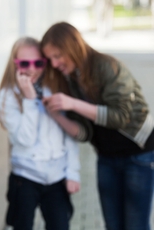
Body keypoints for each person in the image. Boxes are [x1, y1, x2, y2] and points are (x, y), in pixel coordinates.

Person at [41, 21, 154, 230]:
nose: (54, 64)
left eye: (57, 56)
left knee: (136, 226)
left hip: (138, 155)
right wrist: (56, 115)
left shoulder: (107, 66)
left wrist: (73, 103)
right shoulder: (69, 79)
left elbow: (120, 116)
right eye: (50, 59)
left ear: (72, 46)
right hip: (106, 158)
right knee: (113, 225)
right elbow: (84, 133)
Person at [0, 36, 80, 230]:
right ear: (14, 63)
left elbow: (68, 133)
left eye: (38, 63)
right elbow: (25, 140)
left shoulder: (56, 89)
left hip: (57, 177)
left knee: (60, 225)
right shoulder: (8, 95)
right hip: (25, 177)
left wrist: (73, 172)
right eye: (24, 63)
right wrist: (29, 99)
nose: (32, 69)